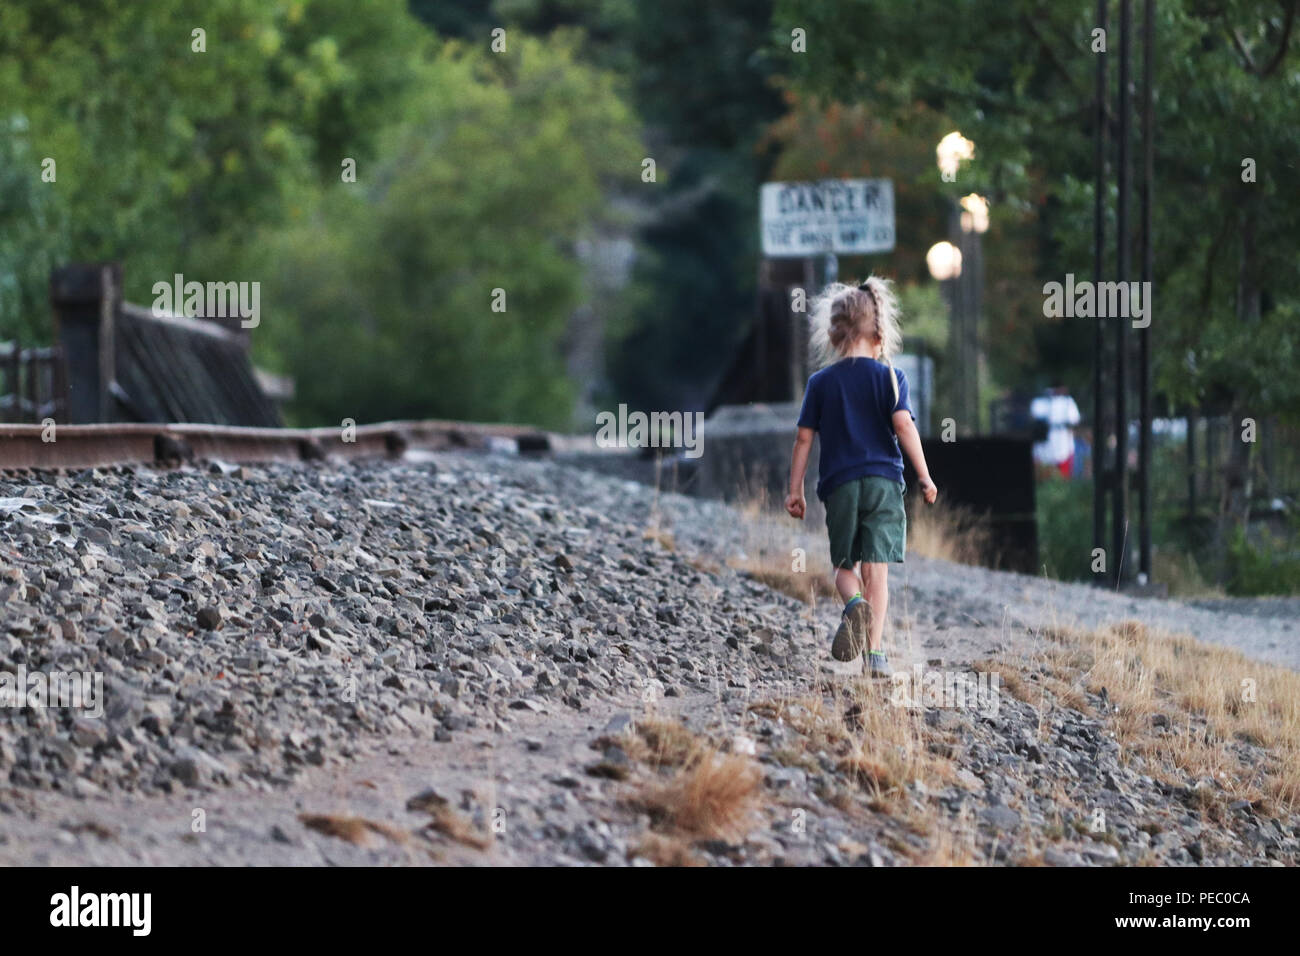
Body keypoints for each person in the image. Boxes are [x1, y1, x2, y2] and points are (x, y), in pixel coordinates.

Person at [784, 278, 938, 677]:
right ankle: (875, 657)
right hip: (885, 483)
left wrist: (794, 488)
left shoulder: (820, 383)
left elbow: (803, 438)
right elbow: (903, 426)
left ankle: (853, 606)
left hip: (840, 485)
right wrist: (924, 475)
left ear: (834, 333)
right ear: (880, 330)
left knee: (844, 568)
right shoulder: (890, 377)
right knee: (878, 570)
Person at [1030, 386, 1081, 479]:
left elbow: (1074, 424)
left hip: (1063, 452)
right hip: (1042, 453)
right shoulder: (1038, 402)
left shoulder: (1068, 402)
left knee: (1063, 481)